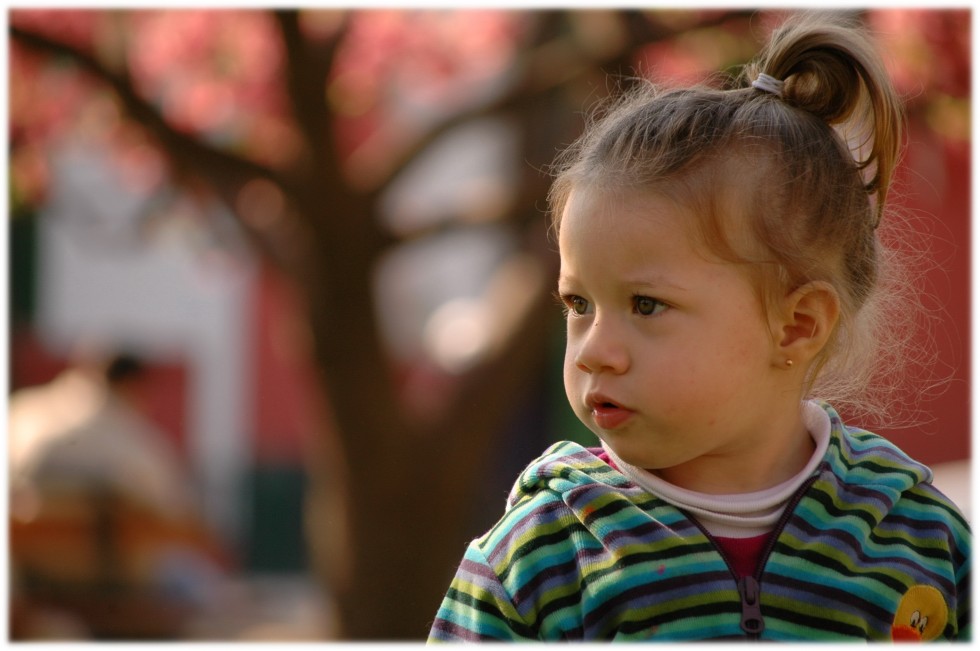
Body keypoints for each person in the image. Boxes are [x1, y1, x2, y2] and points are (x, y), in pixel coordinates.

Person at [428, 13, 970, 642]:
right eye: (578, 305)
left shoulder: (915, 540)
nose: (594, 352)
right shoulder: (542, 557)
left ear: (796, 325)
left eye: (646, 305)